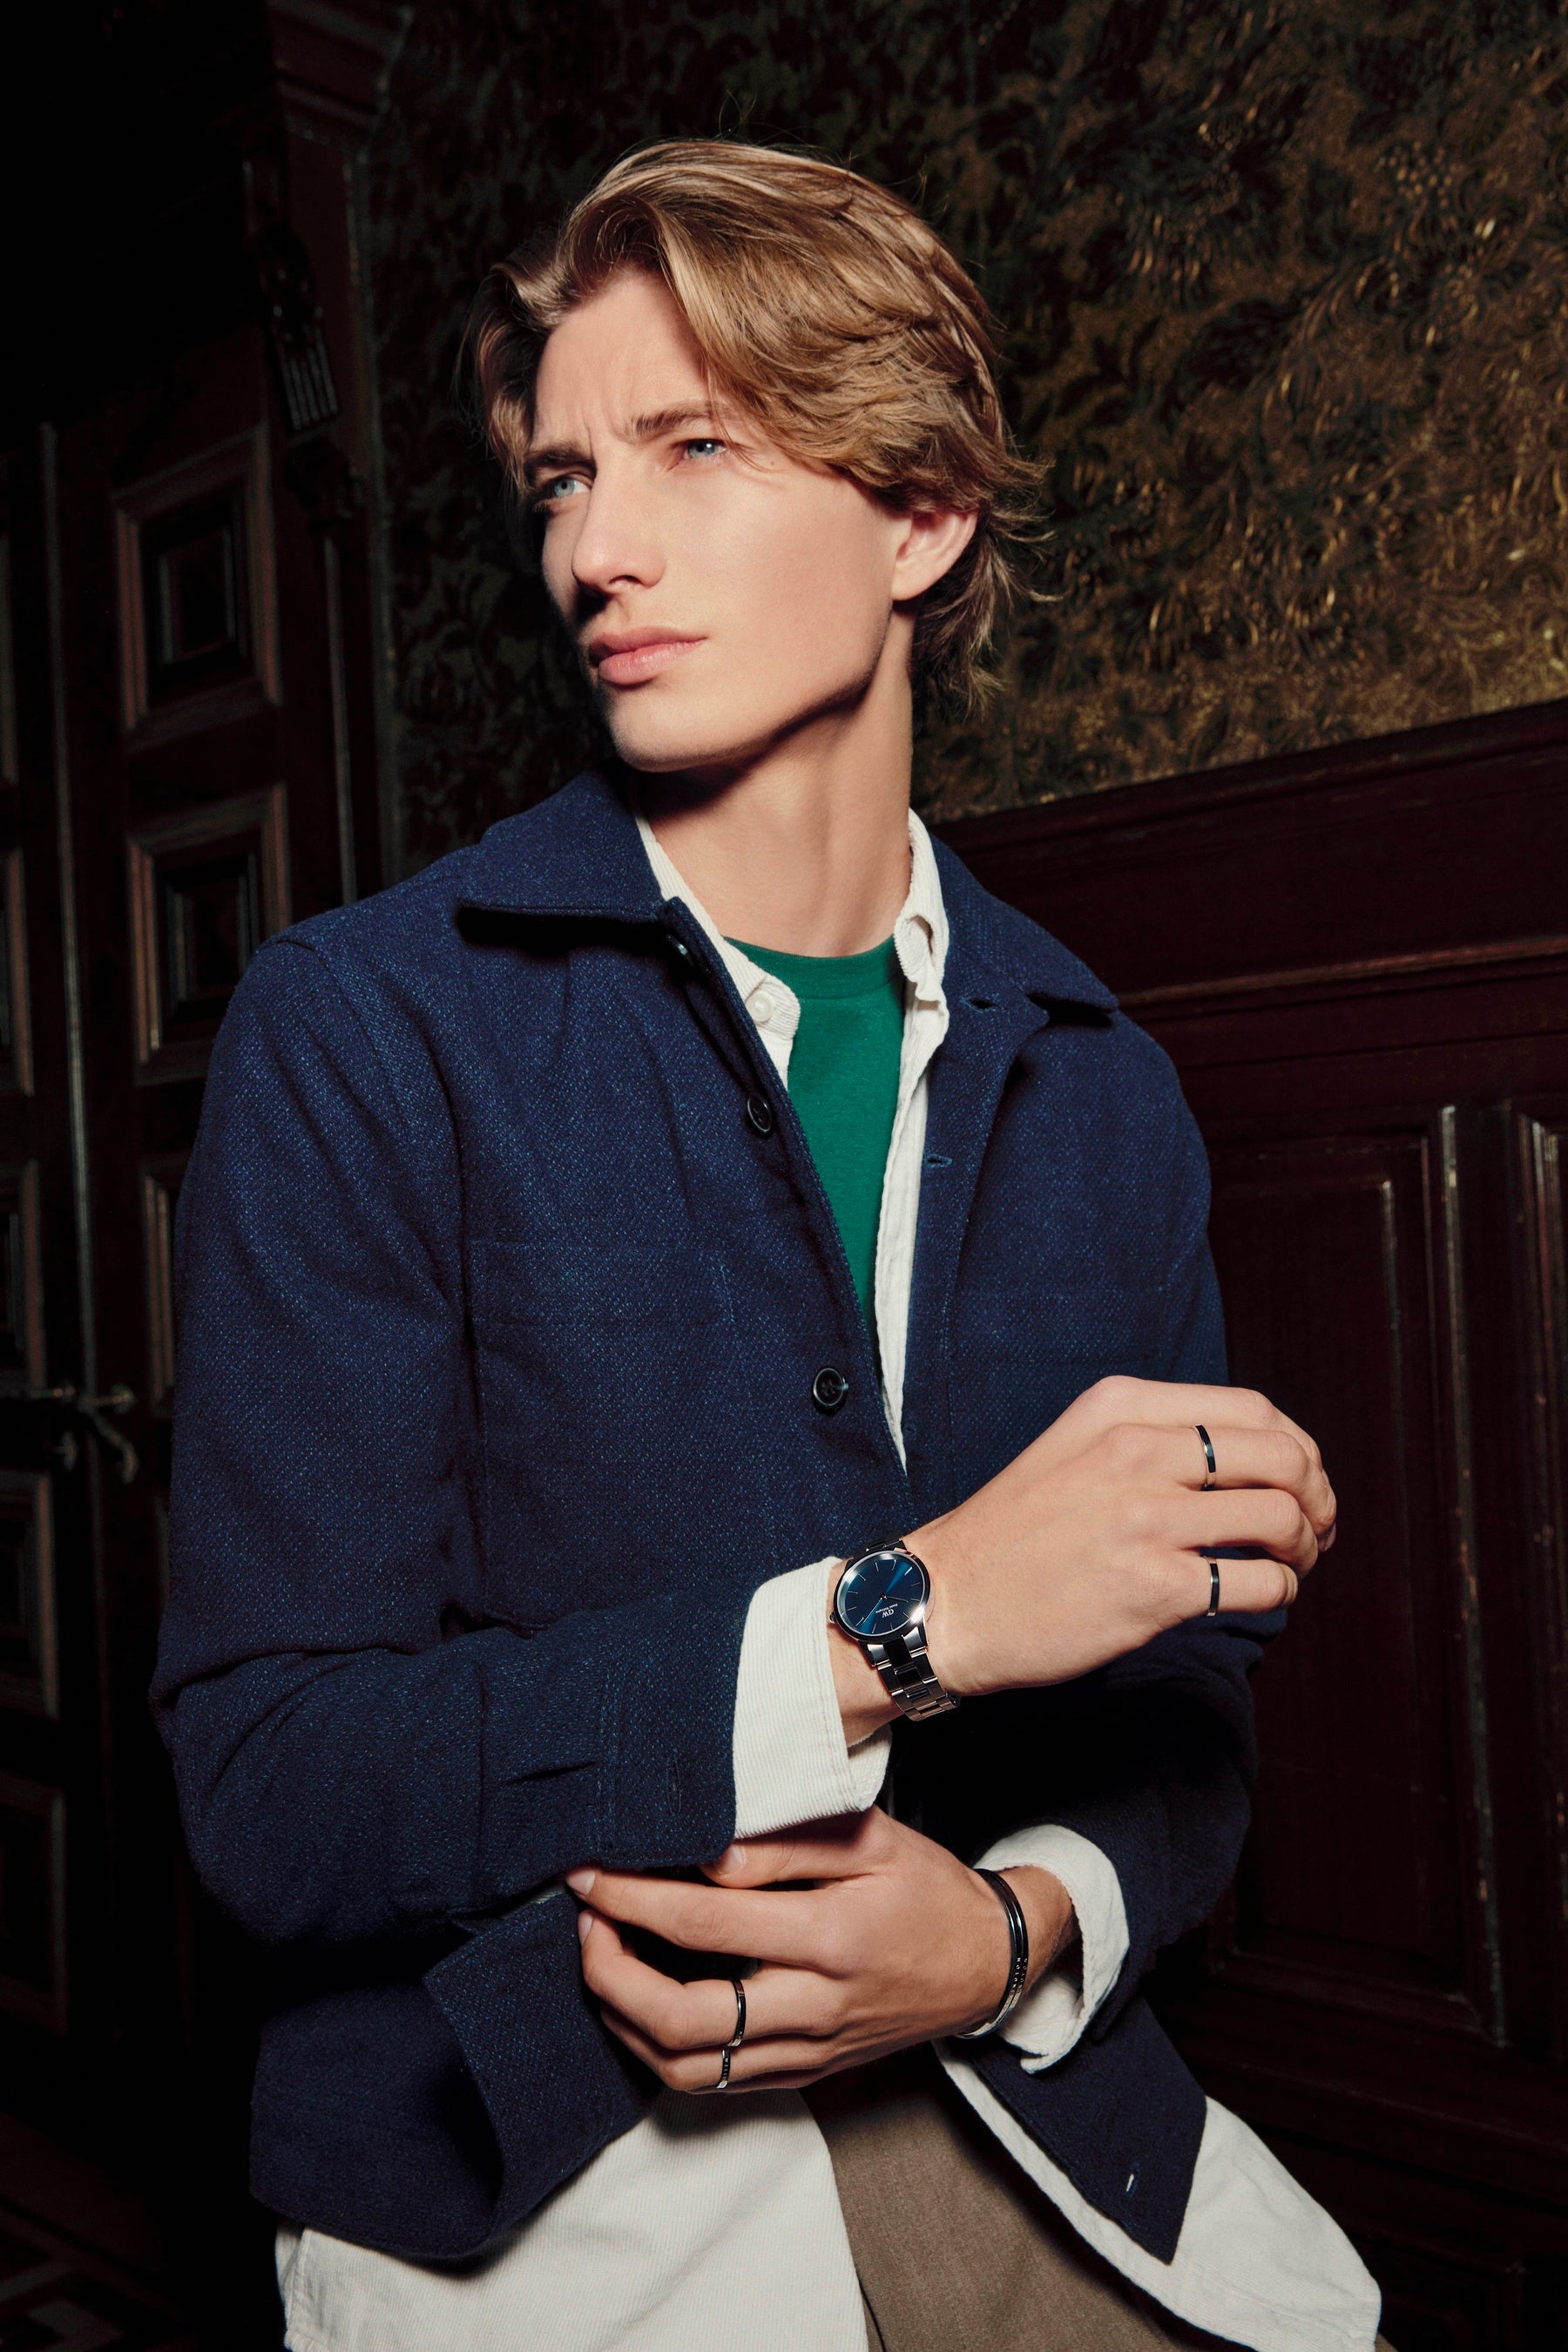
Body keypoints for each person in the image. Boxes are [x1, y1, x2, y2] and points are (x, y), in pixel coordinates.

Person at [154, 140, 1386, 2352]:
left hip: (1039, 2109)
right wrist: (908, 1621)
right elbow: (274, 1782)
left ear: (924, 517)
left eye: (693, 449)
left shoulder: (1099, 1078)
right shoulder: (366, 1028)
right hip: (549, 2185)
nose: (592, 551)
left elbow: (1189, 1722)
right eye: (561, 479)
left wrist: (1005, 1934)